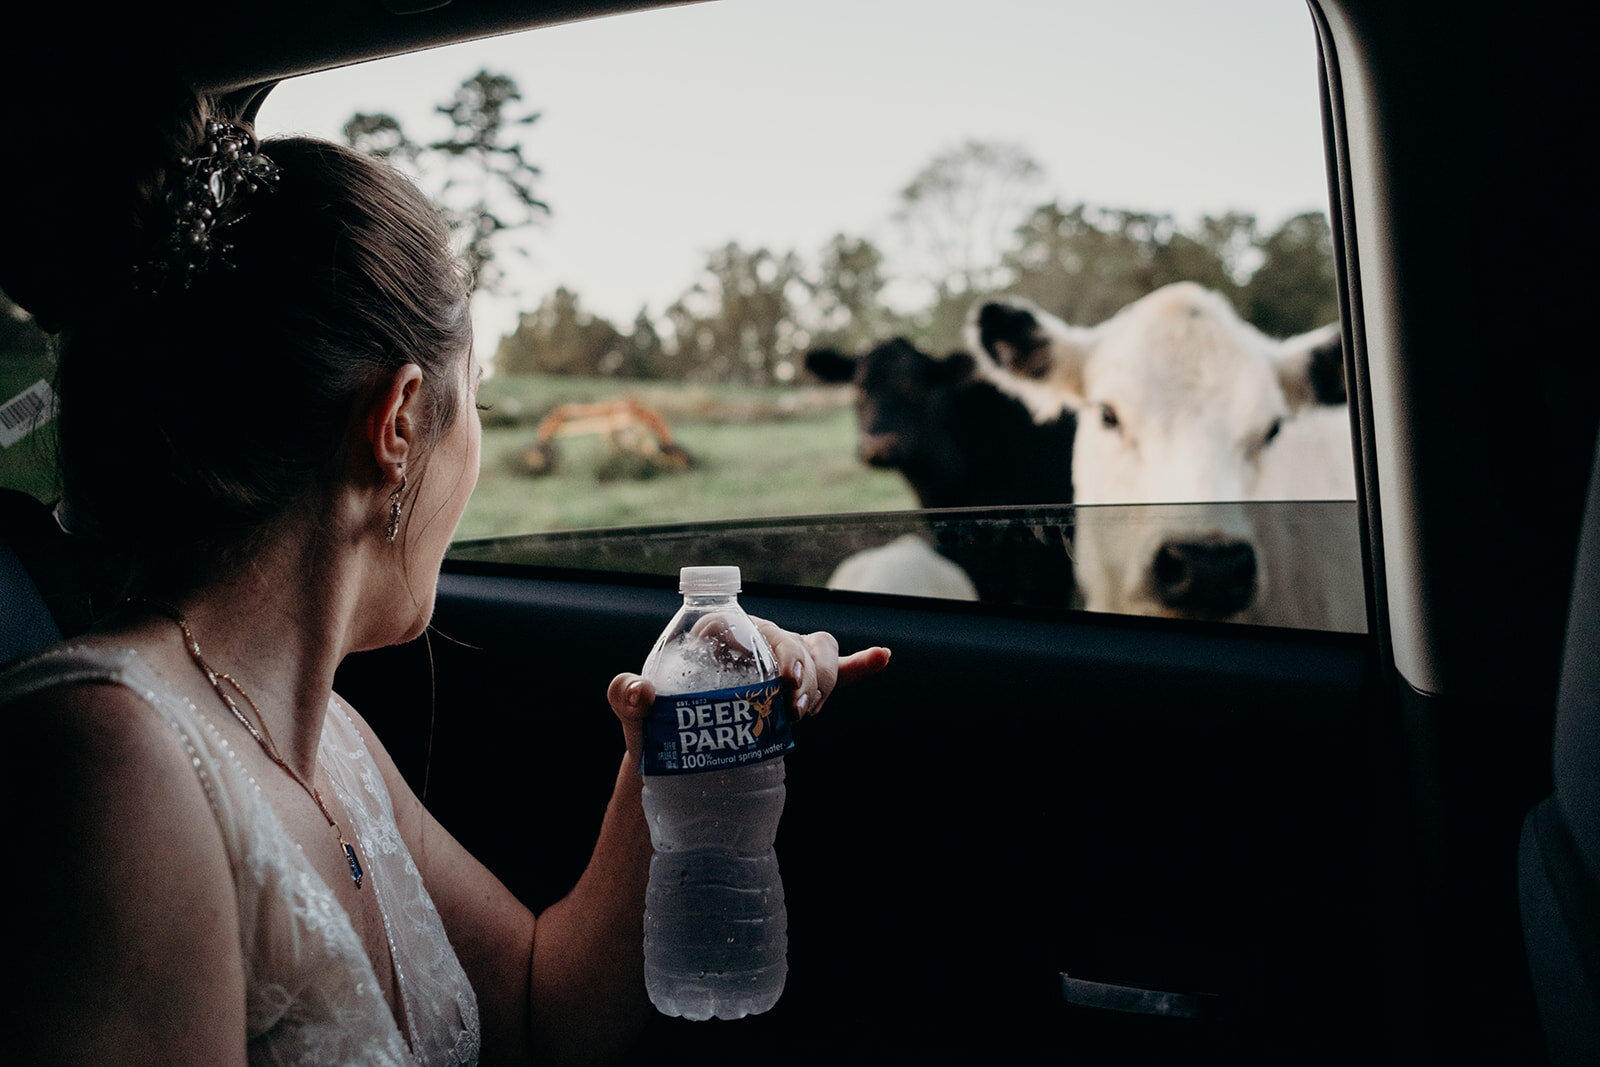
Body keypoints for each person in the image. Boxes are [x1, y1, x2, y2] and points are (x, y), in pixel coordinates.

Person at [0, 99, 890, 1065]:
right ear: (398, 422)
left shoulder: (334, 743)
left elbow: (539, 1011)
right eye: (479, 406)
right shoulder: (111, 763)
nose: (479, 457)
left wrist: (681, 739)